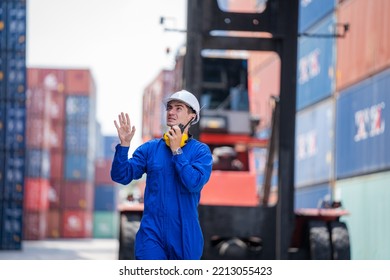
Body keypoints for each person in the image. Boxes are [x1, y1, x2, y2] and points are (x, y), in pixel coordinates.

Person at [111, 90, 213, 260]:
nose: (171, 112)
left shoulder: (200, 152)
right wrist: (124, 146)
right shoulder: (150, 149)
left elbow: (194, 183)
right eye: (169, 108)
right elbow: (121, 176)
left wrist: (177, 151)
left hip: (185, 236)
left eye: (179, 108)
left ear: (192, 116)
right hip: (152, 234)